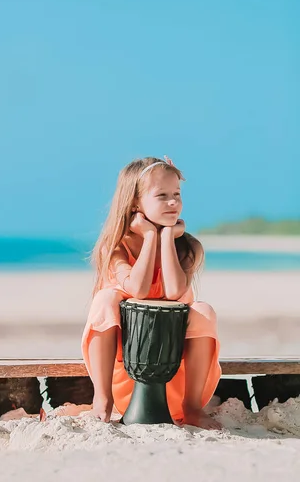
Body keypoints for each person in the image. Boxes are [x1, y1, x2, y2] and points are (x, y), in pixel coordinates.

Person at [81, 155, 222, 429]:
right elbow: (139, 289)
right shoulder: (115, 248)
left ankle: (192, 408)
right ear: (135, 203)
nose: (173, 202)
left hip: (176, 375)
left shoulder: (187, 248)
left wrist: (166, 236)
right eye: (162, 195)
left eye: (177, 194)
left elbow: (174, 292)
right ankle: (102, 400)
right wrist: (149, 237)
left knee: (203, 310)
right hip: (128, 376)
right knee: (105, 299)